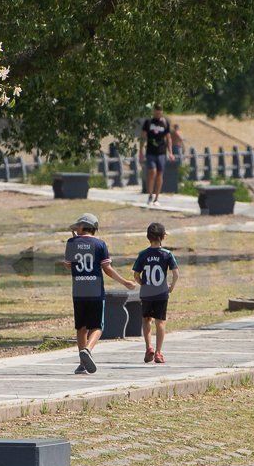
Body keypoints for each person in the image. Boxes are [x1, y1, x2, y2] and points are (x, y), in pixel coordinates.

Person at [63, 213, 136, 374]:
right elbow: (107, 269)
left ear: (81, 227)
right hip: (95, 291)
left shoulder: (71, 243)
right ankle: (88, 350)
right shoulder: (100, 244)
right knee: (97, 327)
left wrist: (75, 241)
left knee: (81, 327)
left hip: (78, 291)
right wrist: (125, 282)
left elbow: (68, 265)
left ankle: (82, 362)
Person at [132, 222, 179, 363]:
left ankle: (148, 348)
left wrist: (142, 283)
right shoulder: (167, 254)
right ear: (163, 237)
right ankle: (158, 352)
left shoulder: (143, 254)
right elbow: (176, 274)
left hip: (146, 293)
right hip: (161, 293)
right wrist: (171, 287)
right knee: (160, 322)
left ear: (148, 237)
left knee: (146, 319)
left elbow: (136, 275)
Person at [139, 104, 175, 205]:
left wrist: (170, 152)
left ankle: (157, 198)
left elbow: (168, 138)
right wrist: (140, 152)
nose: (158, 113)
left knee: (160, 174)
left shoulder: (165, 123)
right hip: (150, 152)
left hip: (161, 152)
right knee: (152, 172)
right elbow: (142, 137)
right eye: (156, 111)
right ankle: (150, 195)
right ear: (153, 111)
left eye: (160, 112)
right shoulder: (148, 122)